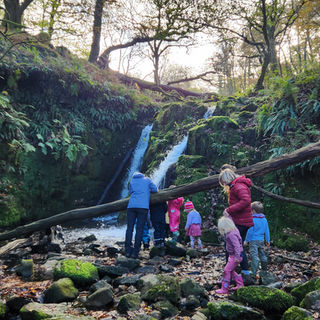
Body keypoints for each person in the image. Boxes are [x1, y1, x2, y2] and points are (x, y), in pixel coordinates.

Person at [219, 168, 254, 280]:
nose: (224, 184)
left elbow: (245, 201)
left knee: (231, 246)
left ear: (227, 178)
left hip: (241, 222)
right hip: (241, 221)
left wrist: (229, 210)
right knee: (237, 247)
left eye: (224, 182)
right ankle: (243, 272)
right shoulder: (236, 185)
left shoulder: (238, 186)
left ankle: (230, 273)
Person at [125, 172, 157, 258]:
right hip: (143, 207)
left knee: (129, 229)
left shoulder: (132, 180)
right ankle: (135, 252)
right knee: (140, 229)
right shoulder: (147, 180)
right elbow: (155, 189)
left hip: (131, 207)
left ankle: (127, 251)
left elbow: (130, 192)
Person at [216, 216, 244, 294]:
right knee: (231, 271)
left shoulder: (231, 234)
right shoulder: (234, 230)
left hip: (236, 255)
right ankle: (240, 284)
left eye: (223, 229)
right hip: (233, 255)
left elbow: (237, 246)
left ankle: (224, 288)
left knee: (226, 270)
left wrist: (237, 257)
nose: (223, 232)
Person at [245, 201, 270, 278]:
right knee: (262, 254)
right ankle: (264, 270)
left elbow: (250, 231)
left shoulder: (252, 220)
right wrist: (267, 240)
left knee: (254, 255)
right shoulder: (264, 219)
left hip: (253, 240)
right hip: (261, 240)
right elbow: (267, 231)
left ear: (253, 211)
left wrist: (246, 240)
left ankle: (253, 273)